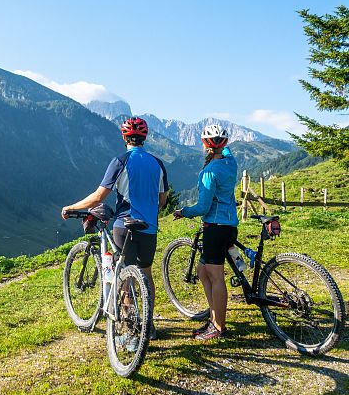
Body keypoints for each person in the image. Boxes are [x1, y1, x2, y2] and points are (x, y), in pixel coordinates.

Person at [61, 116, 169, 338]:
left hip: (124, 225)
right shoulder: (158, 164)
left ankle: (130, 330)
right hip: (149, 227)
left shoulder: (120, 161)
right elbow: (163, 200)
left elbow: (99, 196)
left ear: (124, 137)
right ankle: (148, 327)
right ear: (144, 138)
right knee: (146, 275)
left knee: (126, 277)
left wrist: (71, 207)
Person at [173, 124, 238, 340]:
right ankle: (213, 318)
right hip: (229, 226)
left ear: (205, 145)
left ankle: (219, 327)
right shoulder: (230, 163)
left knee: (216, 277)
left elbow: (203, 207)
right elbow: (224, 150)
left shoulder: (209, 172)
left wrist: (184, 212)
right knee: (202, 271)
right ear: (225, 143)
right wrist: (221, 145)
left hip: (215, 228)